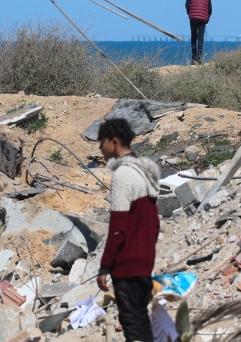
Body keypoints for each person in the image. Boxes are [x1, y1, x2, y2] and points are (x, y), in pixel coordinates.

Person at [96, 117, 160, 342]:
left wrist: (104, 267)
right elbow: (155, 224)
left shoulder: (122, 174)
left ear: (114, 141)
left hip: (127, 266)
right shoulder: (144, 172)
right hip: (144, 263)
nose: (100, 149)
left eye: (101, 142)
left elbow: (118, 228)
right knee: (141, 321)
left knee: (132, 326)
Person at [185, 0, 212, 64]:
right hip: (203, 18)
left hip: (193, 17)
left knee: (193, 37)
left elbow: (187, 4)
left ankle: (194, 58)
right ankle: (199, 58)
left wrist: (189, 13)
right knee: (200, 38)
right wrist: (207, 17)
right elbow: (209, 7)